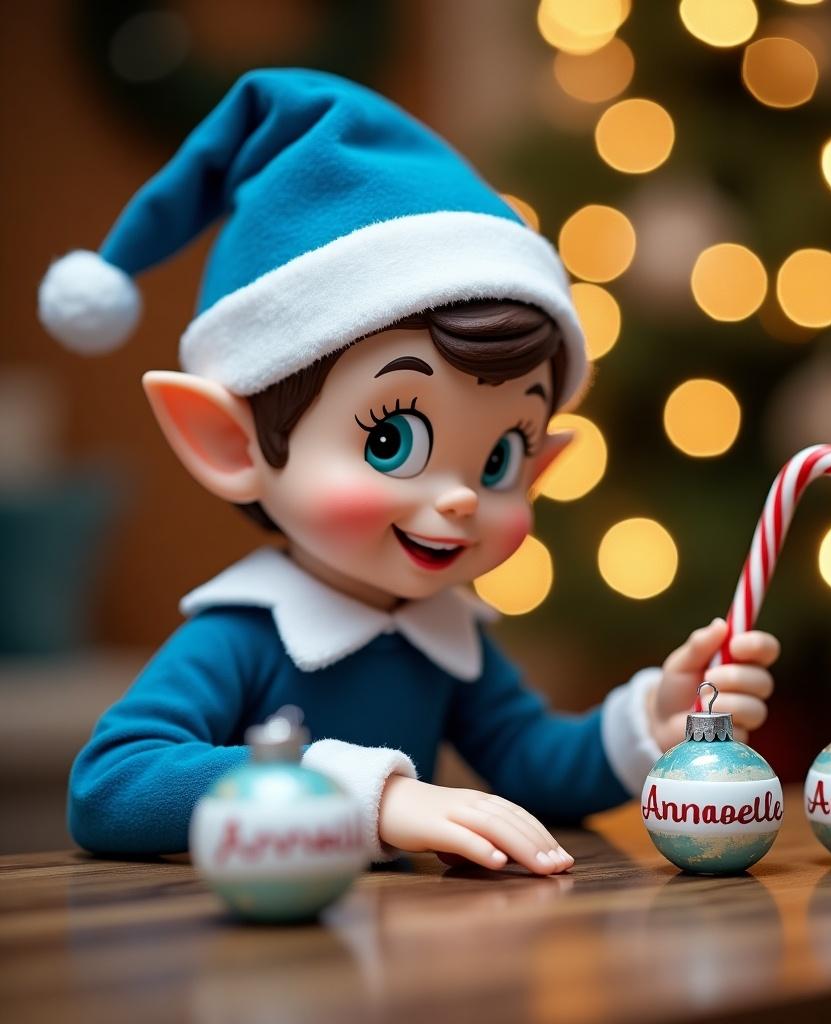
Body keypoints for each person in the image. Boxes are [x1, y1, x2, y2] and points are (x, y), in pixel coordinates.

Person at [40, 69, 778, 875]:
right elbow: (111, 785)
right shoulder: (246, 637)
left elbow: (531, 763)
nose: (462, 497)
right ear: (229, 442)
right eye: (391, 439)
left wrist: (650, 723)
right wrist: (370, 796)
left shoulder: (443, 633)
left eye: (499, 459)